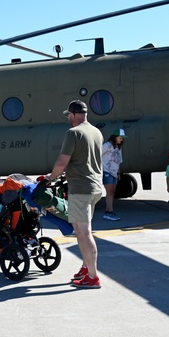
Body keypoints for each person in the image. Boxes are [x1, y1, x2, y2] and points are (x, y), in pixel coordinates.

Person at [46, 99, 104, 289]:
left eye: (68, 115)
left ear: (74, 114)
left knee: (85, 232)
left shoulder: (73, 133)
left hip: (81, 189)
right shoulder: (96, 132)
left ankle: (93, 277)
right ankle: (86, 267)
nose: (68, 119)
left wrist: (50, 178)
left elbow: (62, 162)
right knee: (80, 231)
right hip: (94, 188)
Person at [101, 128, 125, 221]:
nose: (121, 139)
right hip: (107, 171)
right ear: (115, 137)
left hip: (114, 172)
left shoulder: (118, 147)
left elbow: (118, 161)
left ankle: (109, 211)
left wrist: (119, 172)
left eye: (122, 138)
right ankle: (109, 212)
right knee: (110, 192)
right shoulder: (107, 145)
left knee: (112, 192)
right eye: (120, 137)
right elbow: (97, 153)